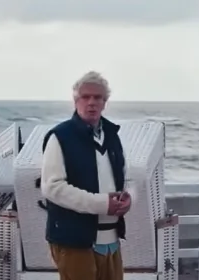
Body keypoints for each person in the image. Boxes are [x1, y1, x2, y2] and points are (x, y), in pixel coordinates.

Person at [42, 71, 133, 280]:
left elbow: (125, 179)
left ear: (105, 102)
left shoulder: (112, 136)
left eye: (97, 97)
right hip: (73, 240)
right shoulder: (60, 137)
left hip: (111, 239)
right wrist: (102, 204)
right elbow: (52, 187)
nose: (91, 102)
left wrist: (128, 199)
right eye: (85, 97)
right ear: (76, 101)